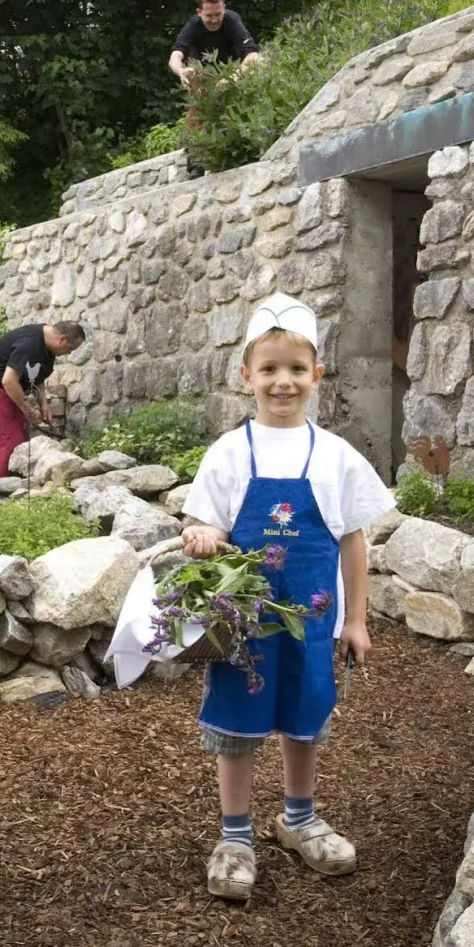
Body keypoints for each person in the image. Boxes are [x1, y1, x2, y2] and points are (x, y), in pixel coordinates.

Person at [178, 292, 395, 901]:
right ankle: (235, 834)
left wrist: (357, 620)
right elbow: (210, 527)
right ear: (246, 375)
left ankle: (298, 819)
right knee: (240, 725)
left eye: (296, 369)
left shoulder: (335, 456)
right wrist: (202, 536)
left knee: (304, 720)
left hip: (311, 621)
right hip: (243, 626)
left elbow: (352, 543)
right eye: (268, 369)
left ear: (317, 375)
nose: (283, 382)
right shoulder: (229, 452)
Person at [0, 321, 86, 486]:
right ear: (61, 339)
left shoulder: (48, 343)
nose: (68, 353)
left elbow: (37, 374)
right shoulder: (30, 344)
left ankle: (11, 487)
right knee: (0, 440)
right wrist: (28, 409)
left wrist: (43, 403)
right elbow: (9, 381)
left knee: (18, 436)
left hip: (9, 389)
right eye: (70, 349)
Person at [169, 0, 262, 179]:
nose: (214, 20)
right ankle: (196, 162)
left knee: (237, 106)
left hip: (233, 72)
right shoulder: (193, 26)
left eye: (218, 14)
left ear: (224, 8)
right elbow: (175, 56)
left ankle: (245, 147)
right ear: (199, 12)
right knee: (198, 102)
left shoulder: (232, 20)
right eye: (209, 15)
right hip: (204, 75)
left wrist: (233, 77)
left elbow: (252, 55)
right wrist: (181, 71)